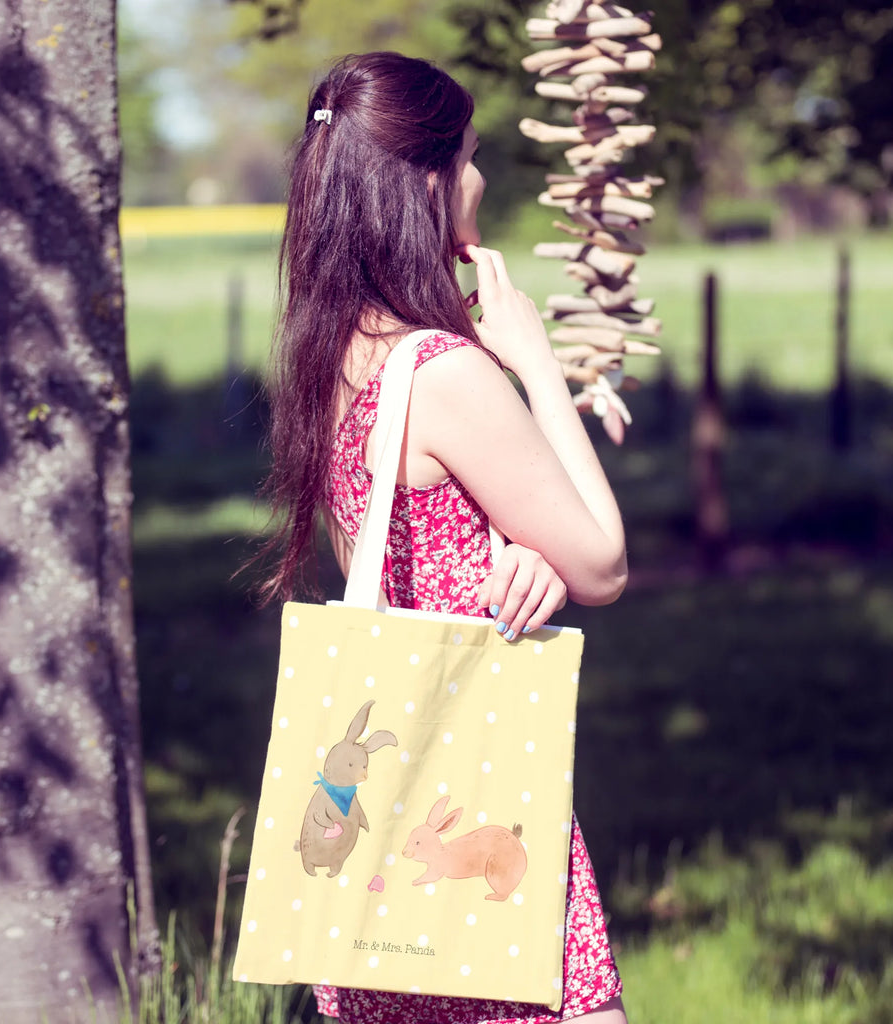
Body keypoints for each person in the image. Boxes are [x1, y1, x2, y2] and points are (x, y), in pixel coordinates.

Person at [259, 51, 629, 1024]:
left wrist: (513, 555)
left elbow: (390, 559)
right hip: (478, 804)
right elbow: (603, 560)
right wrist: (536, 362)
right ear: (425, 181)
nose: (479, 178)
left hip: (380, 857)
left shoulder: (333, 358)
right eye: (467, 156)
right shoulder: (446, 372)